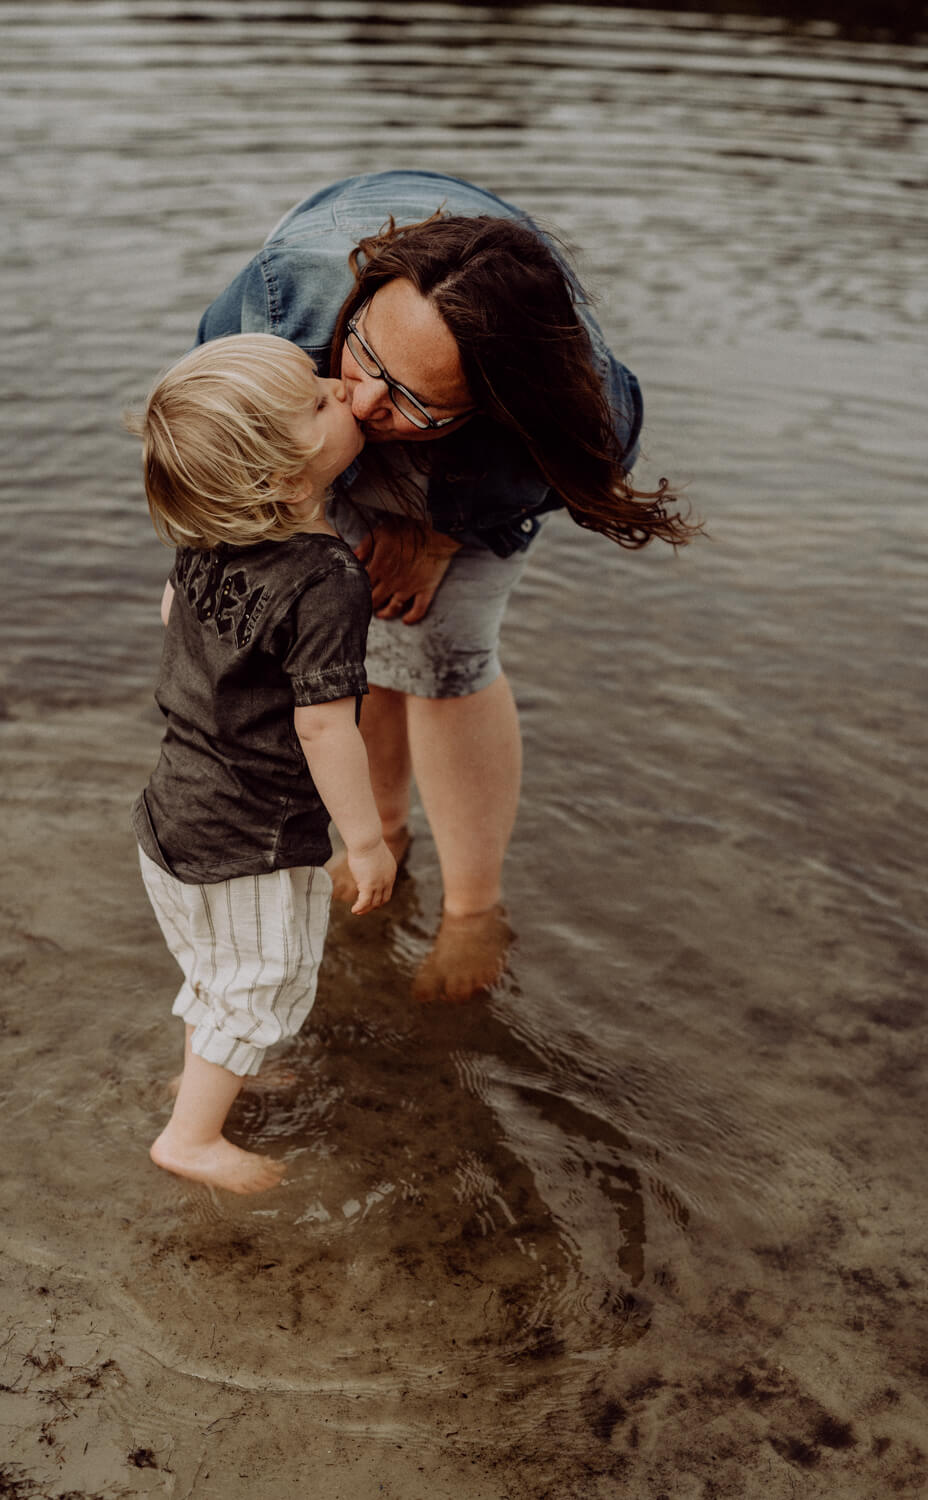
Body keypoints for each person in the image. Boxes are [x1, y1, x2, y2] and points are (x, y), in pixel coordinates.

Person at [195, 170, 700, 1001]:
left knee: (443, 651)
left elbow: (574, 476)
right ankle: (379, 836)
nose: (362, 406)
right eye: (364, 358)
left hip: (475, 473)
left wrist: (442, 533)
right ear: (364, 291)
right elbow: (209, 430)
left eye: (406, 402)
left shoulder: (580, 406)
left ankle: (473, 909)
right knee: (345, 633)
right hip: (298, 422)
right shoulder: (283, 297)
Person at [126, 333, 397, 1194]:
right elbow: (326, 730)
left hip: (171, 814)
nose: (341, 387)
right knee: (258, 984)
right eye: (319, 402)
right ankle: (191, 1139)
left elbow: (175, 612)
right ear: (283, 482)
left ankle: (200, 1080)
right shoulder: (325, 580)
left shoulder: (204, 531)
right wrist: (367, 841)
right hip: (249, 837)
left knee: (218, 973)